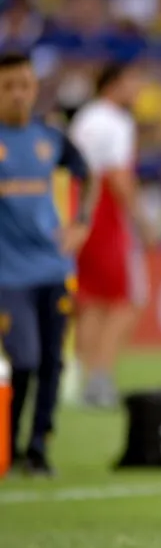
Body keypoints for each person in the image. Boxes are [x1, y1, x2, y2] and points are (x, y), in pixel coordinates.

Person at [0, 52, 94, 474]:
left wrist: (81, 223)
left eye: (24, 85)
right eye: (8, 87)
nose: (18, 95)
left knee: (52, 362)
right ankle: (9, 443)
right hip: (8, 275)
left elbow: (87, 174)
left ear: (35, 88)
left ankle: (38, 447)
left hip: (53, 268)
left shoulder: (49, 137)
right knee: (24, 360)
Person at [68, 62, 148, 409]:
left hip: (79, 212)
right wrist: (141, 218)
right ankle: (100, 379)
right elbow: (117, 175)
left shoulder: (85, 118)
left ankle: (84, 376)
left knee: (90, 301)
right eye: (133, 81)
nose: (138, 88)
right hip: (107, 217)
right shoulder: (117, 122)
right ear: (114, 84)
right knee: (128, 300)